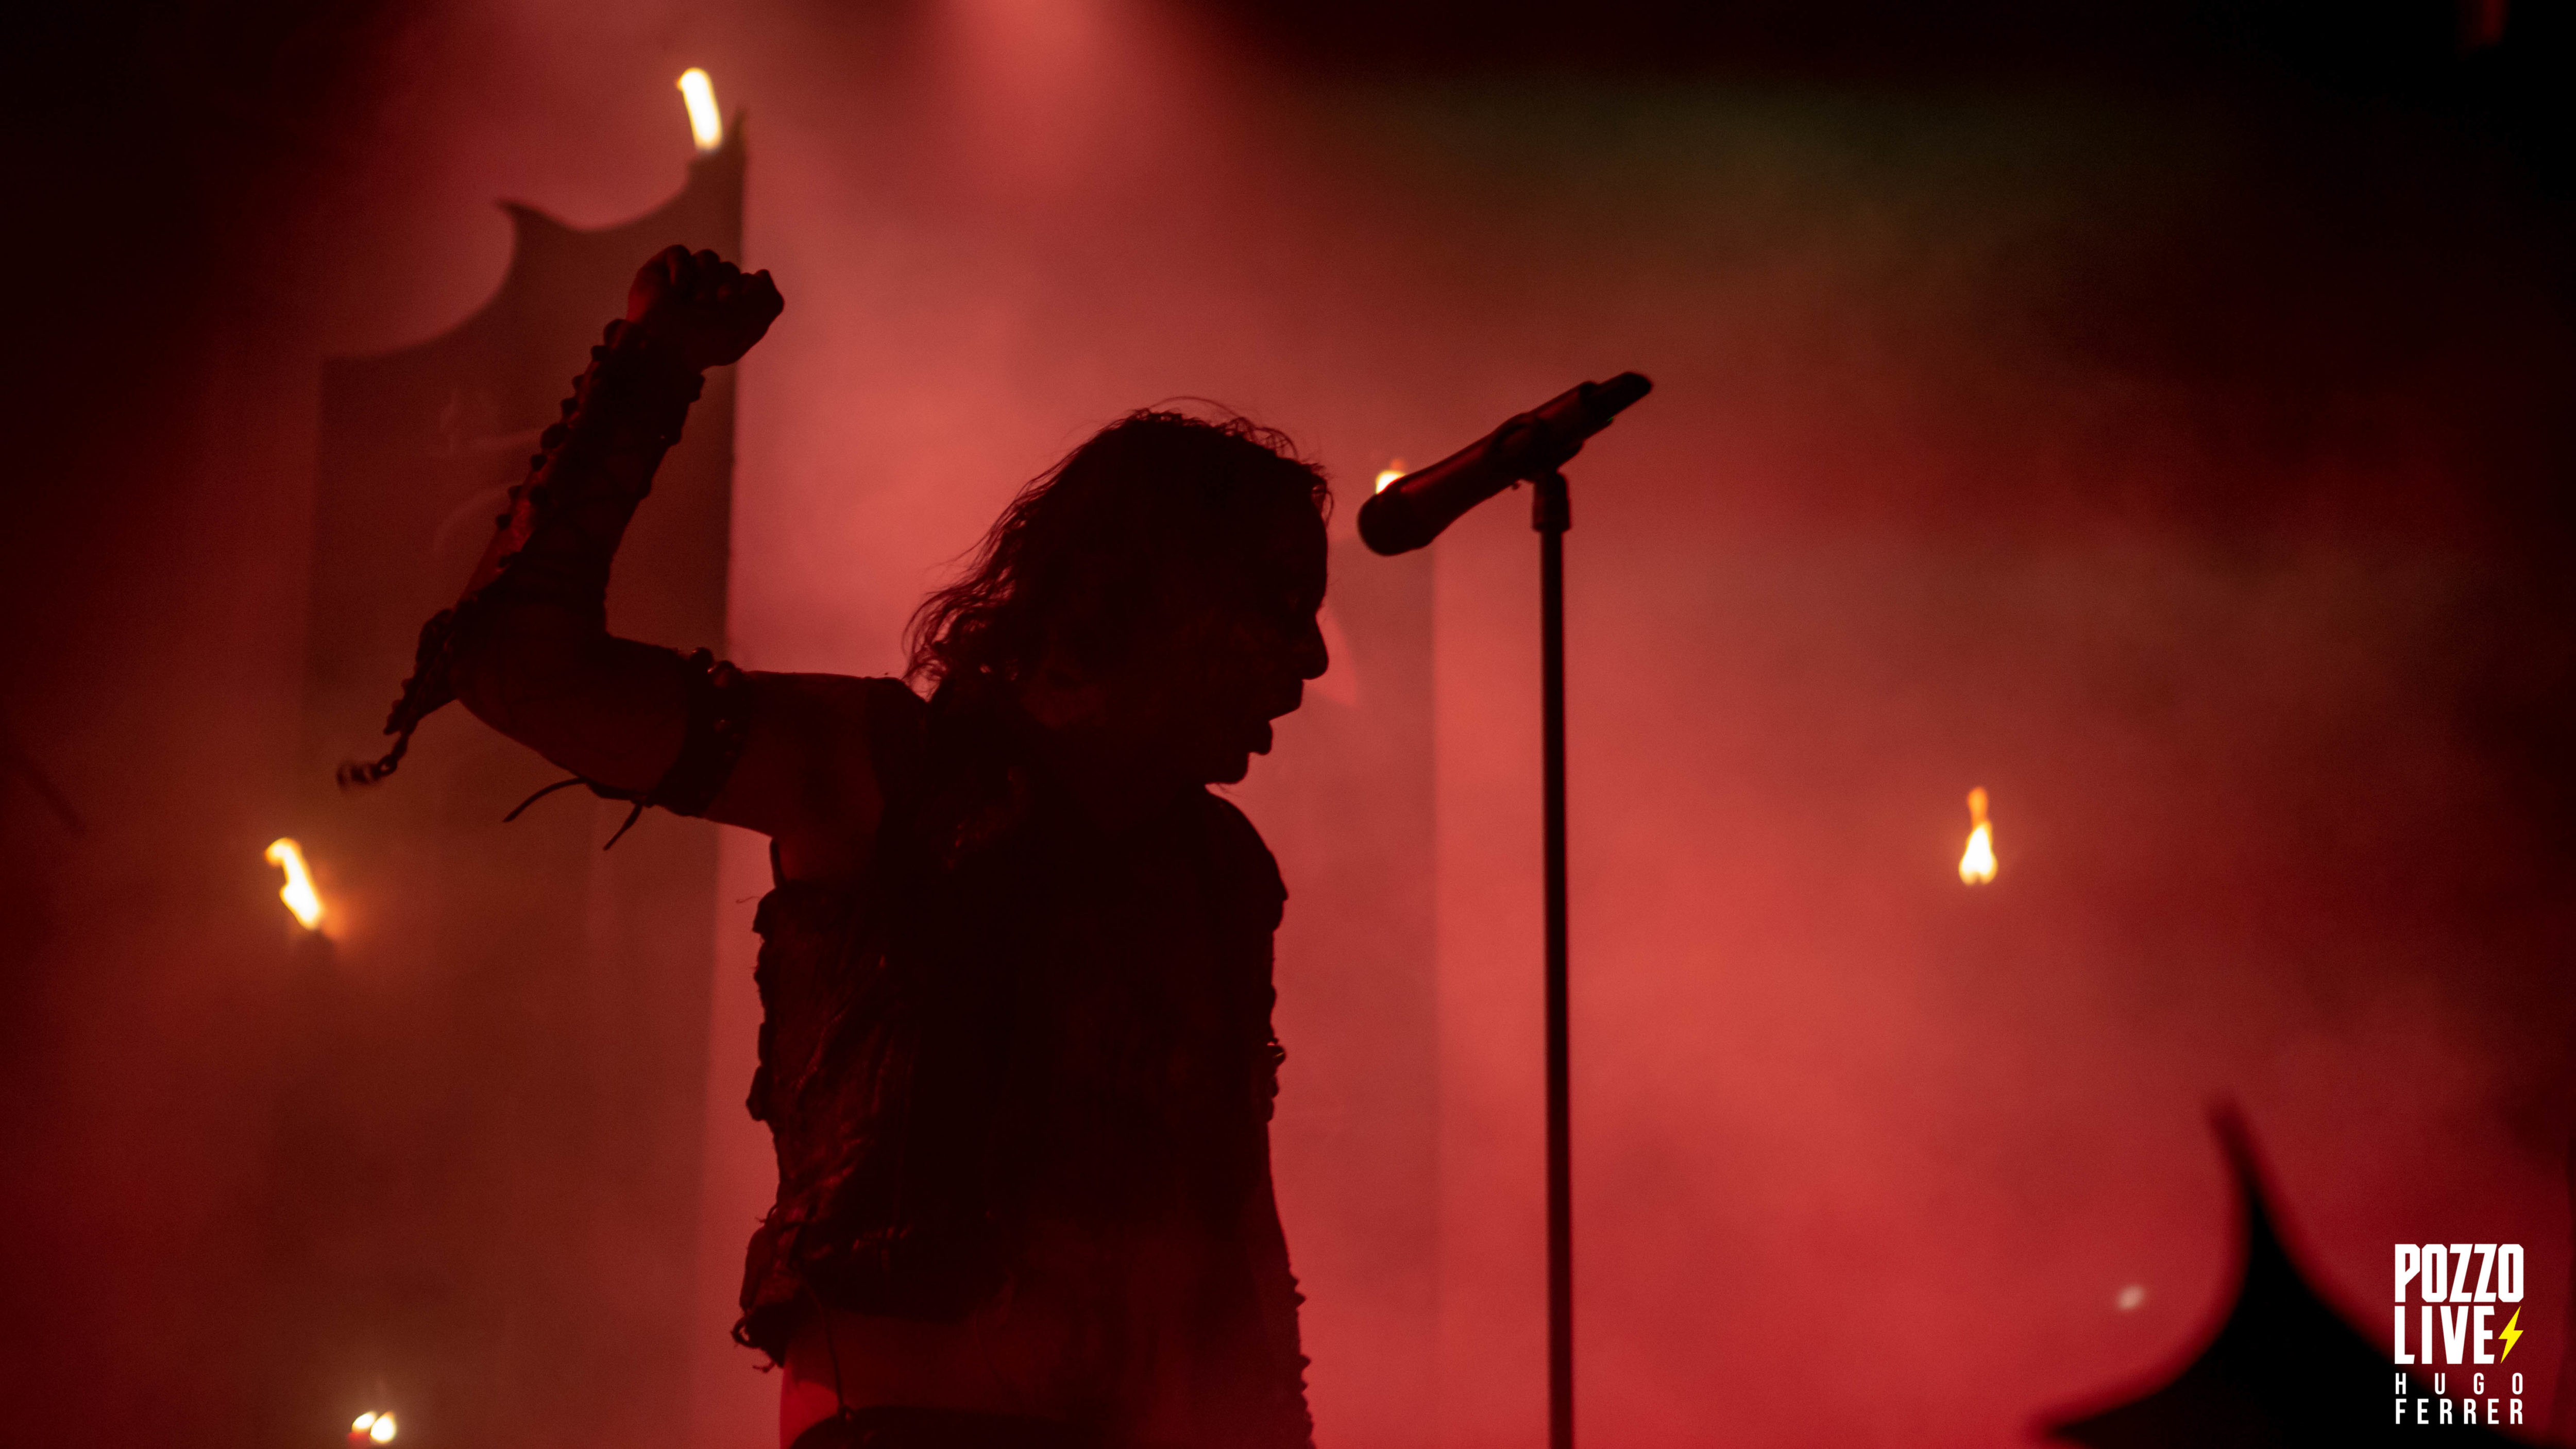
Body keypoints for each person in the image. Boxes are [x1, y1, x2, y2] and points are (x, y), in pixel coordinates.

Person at [366, 246, 1329, 1449]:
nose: (1308, 662)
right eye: (1276, 609)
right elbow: (522, 673)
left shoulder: (1218, 870)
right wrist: (651, 369)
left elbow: (1234, 1205)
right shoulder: (875, 770)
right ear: (1146, 598)